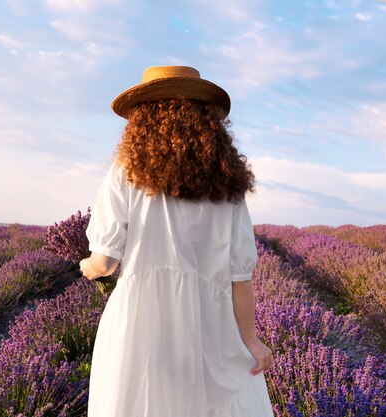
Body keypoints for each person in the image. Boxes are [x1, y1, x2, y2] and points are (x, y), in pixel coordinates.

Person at [79, 65, 274, 417]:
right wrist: (250, 340)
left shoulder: (127, 169)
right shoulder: (228, 184)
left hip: (140, 319)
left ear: (144, 117)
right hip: (210, 324)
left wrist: (87, 268)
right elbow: (241, 277)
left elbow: (105, 261)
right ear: (209, 120)